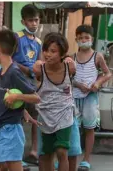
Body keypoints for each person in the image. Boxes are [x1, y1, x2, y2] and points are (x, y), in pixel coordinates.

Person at [0, 29, 40, 171]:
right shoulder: (1, 71)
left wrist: (17, 96)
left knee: (13, 166)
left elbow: (36, 97)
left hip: (10, 130)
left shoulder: (14, 72)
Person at [33, 32, 76, 171]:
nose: (48, 54)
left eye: (53, 51)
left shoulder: (70, 68)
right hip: (45, 116)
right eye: (45, 50)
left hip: (65, 114)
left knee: (62, 151)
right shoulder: (39, 70)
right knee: (46, 154)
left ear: (63, 54)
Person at [72, 25, 112, 171]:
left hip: (90, 97)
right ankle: (70, 159)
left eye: (86, 37)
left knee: (89, 128)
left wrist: (97, 83)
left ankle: (86, 159)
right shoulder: (72, 58)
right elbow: (68, 78)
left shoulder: (97, 56)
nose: (84, 40)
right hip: (74, 97)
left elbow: (107, 73)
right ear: (76, 39)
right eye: (81, 38)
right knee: (72, 129)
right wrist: (77, 83)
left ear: (92, 39)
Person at [12, 4, 42, 165]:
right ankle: (18, 154)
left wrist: (37, 80)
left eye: (36, 20)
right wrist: (28, 71)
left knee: (35, 117)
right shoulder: (16, 37)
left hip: (32, 85)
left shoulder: (38, 42)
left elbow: (40, 64)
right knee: (18, 118)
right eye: (30, 21)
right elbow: (10, 60)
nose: (34, 24)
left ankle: (34, 151)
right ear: (23, 22)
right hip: (17, 83)